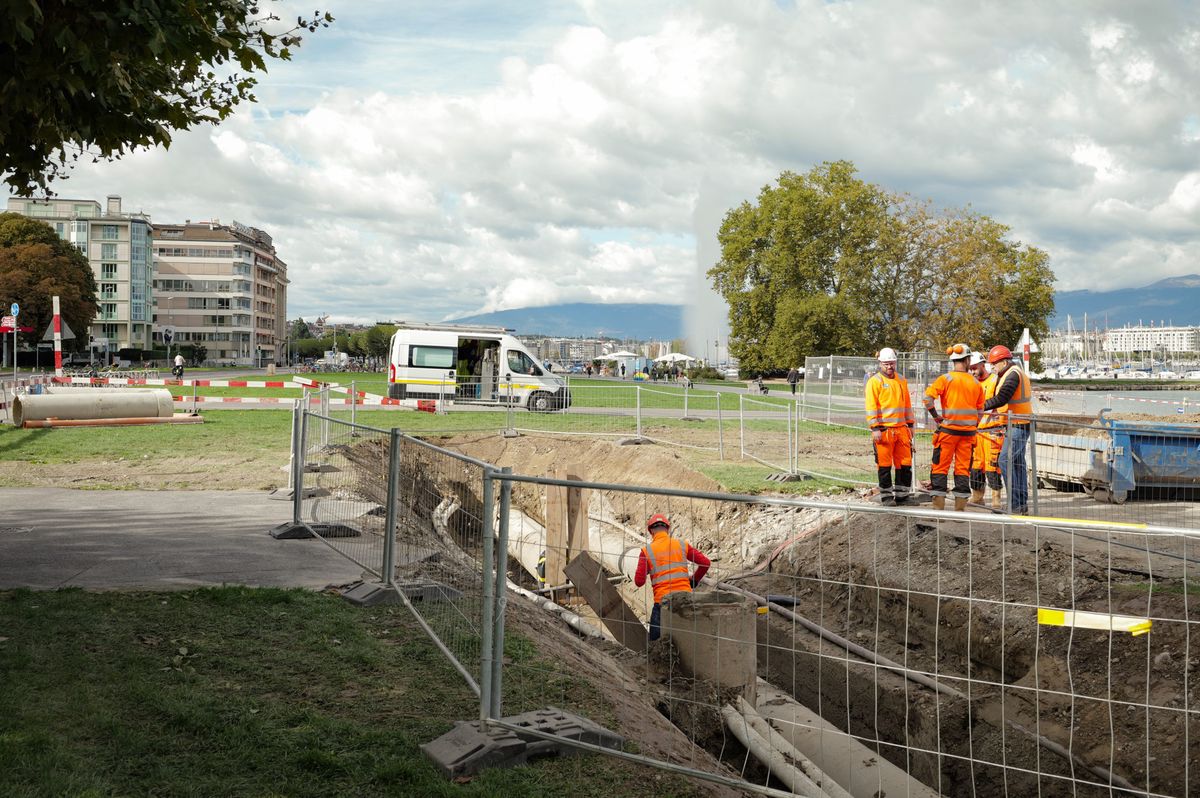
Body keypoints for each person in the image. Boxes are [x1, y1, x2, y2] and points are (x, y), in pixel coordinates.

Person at [923, 344, 984, 511]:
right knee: (963, 469)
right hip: (968, 435)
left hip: (948, 432)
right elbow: (980, 411)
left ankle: (938, 507)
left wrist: (936, 417)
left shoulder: (945, 379)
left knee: (940, 467)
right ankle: (960, 509)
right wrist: (973, 425)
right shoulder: (976, 383)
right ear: (967, 360)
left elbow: (927, 399)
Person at [633, 513, 710, 642]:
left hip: (662, 603)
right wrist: (694, 580)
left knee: (656, 643)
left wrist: (649, 568)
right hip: (686, 599)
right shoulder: (681, 544)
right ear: (667, 529)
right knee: (688, 640)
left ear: (651, 531)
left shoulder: (647, 551)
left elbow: (639, 582)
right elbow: (705, 563)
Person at [984, 344, 1034, 514]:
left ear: (1004, 362)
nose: (992, 367)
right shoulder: (1013, 372)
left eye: (994, 364)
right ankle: (1020, 504)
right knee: (1017, 463)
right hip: (1018, 423)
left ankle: (1015, 505)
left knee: (1005, 460)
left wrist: (982, 405)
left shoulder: (1012, 375)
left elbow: (1002, 397)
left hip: (1018, 425)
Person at [865, 348, 914, 506]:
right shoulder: (875, 382)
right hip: (884, 431)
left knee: (905, 464)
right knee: (884, 466)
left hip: (901, 430)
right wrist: (875, 428)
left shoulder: (901, 380)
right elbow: (871, 406)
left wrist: (911, 424)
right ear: (880, 364)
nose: (889, 367)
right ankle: (886, 497)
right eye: (886, 364)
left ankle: (902, 495)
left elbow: (907, 404)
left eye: (892, 363)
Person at [968, 352, 1006, 510]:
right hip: (977, 432)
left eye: (974, 368)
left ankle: (996, 498)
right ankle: (977, 496)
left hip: (992, 431)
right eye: (970, 369)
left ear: (982, 365)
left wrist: (1001, 425)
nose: (972, 372)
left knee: (992, 466)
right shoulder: (973, 383)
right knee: (976, 466)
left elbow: (1002, 402)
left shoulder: (995, 381)